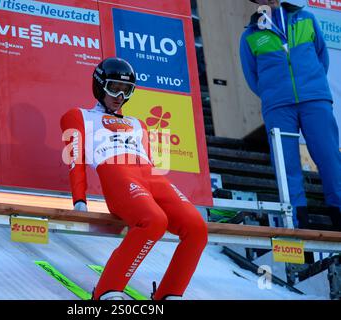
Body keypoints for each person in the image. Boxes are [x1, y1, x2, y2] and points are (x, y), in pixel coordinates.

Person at [60, 57, 208, 300]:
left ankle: (170, 294)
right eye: (113, 88)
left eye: (126, 90)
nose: (119, 96)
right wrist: (79, 199)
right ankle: (108, 290)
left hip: (150, 176)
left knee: (197, 227)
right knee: (154, 220)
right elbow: (75, 159)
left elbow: (148, 161)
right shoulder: (78, 116)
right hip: (117, 173)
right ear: (99, 86)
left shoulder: (138, 124)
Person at [240, 0, 341, 231]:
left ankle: (338, 211)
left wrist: (311, 86)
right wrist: (275, 94)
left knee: (329, 157)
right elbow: (252, 77)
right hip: (278, 106)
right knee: (286, 165)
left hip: (314, 99)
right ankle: (298, 220)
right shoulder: (250, 35)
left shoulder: (306, 18)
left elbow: (321, 57)